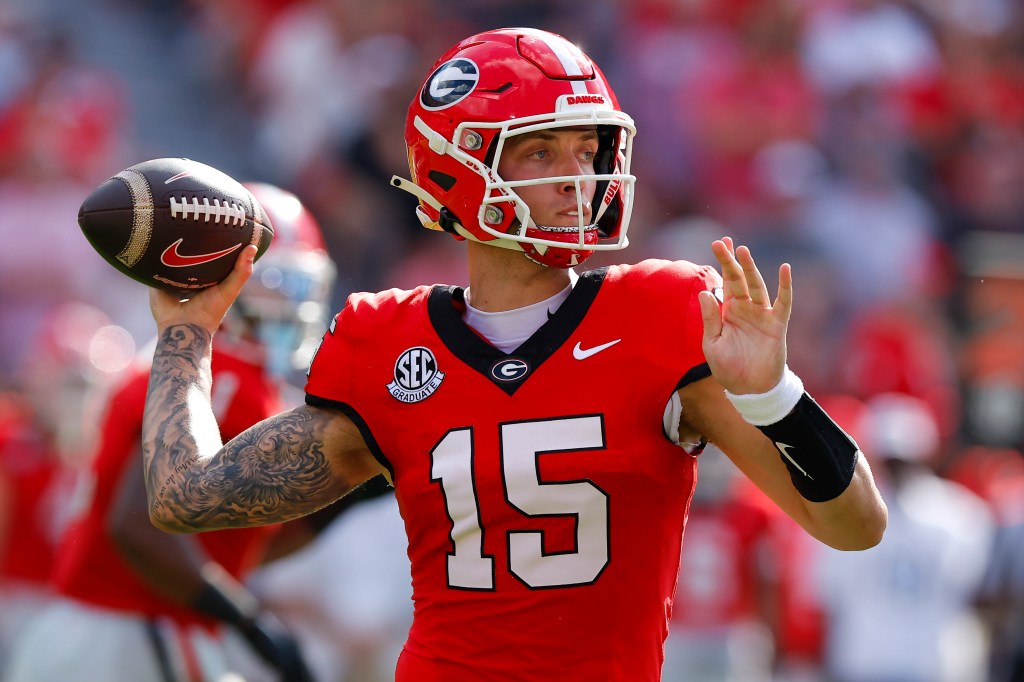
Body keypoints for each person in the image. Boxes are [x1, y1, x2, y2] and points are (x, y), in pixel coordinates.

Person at [139, 28, 887, 681]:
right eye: (540, 150)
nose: (580, 177)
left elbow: (855, 527)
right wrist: (185, 333)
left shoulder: (663, 313)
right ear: (455, 167)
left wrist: (774, 395)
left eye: (587, 149)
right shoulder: (386, 341)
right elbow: (186, 499)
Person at [2, 183, 336, 682]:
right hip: (129, 629)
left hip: (108, 628)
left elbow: (234, 538)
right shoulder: (217, 372)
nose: (287, 300)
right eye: (272, 280)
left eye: (296, 284)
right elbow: (140, 523)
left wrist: (340, 497)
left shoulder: (220, 369)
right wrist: (247, 619)